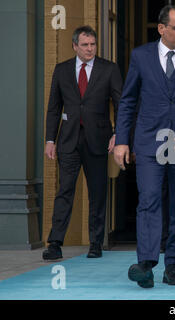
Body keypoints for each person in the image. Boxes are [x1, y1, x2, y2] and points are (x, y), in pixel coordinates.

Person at [113, 5, 175, 289]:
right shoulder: (140, 56)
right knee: (149, 199)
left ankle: (173, 265)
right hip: (149, 141)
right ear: (161, 28)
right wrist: (122, 139)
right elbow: (129, 100)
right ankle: (145, 263)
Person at [43, 26, 122, 260]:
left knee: (97, 193)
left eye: (93, 44)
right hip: (68, 140)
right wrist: (50, 139)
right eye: (85, 45)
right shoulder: (61, 70)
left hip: (98, 140)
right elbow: (54, 108)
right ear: (75, 46)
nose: (90, 49)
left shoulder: (109, 69)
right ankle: (55, 243)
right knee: (64, 191)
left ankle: (95, 243)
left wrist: (118, 134)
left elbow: (121, 104)